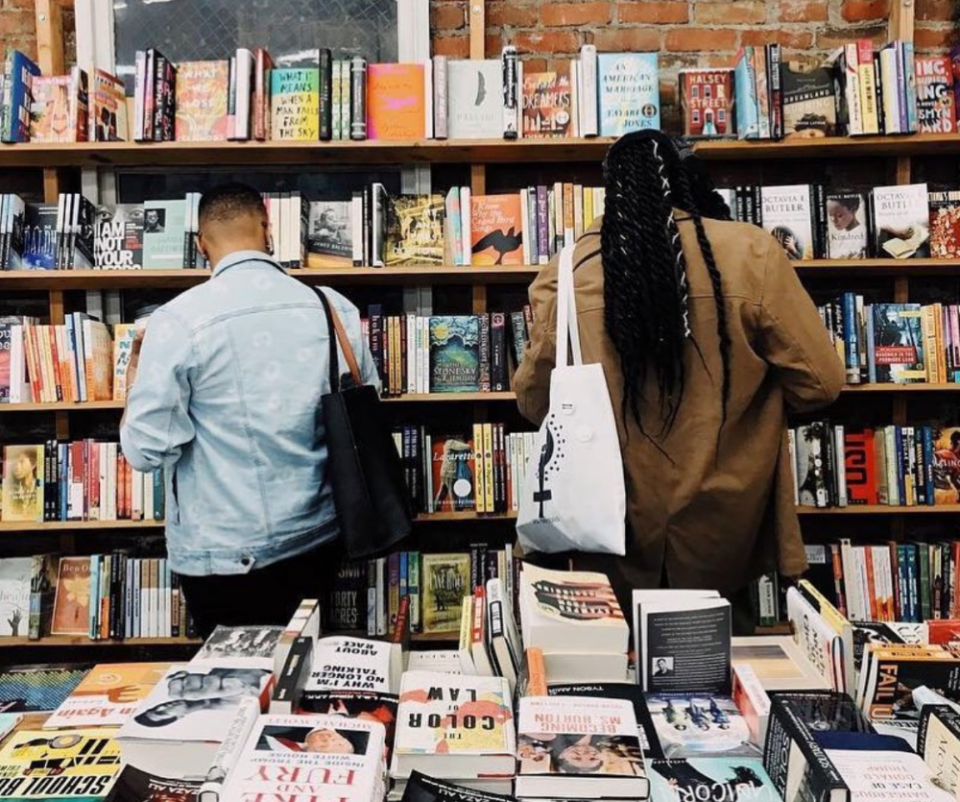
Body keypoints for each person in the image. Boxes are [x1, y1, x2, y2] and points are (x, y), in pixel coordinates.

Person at [514, 131, 845, 623]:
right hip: (724, 526)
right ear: (687, 182)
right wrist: (746, 402)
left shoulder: (569, 270)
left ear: (613, 190)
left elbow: (534, 402)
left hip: (610, 527)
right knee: (716, 682)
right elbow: (822, 383)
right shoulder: (752, 255)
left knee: (609, 677)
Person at [120, 183, 379, 638]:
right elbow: (367, 404)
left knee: (231, 692)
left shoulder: (177, 322)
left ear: (201, 246)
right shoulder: (330, 306)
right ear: (267, 228)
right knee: (305, 677)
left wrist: (132, 379)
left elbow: (146, 452)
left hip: (220, 556)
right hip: (318, 537)